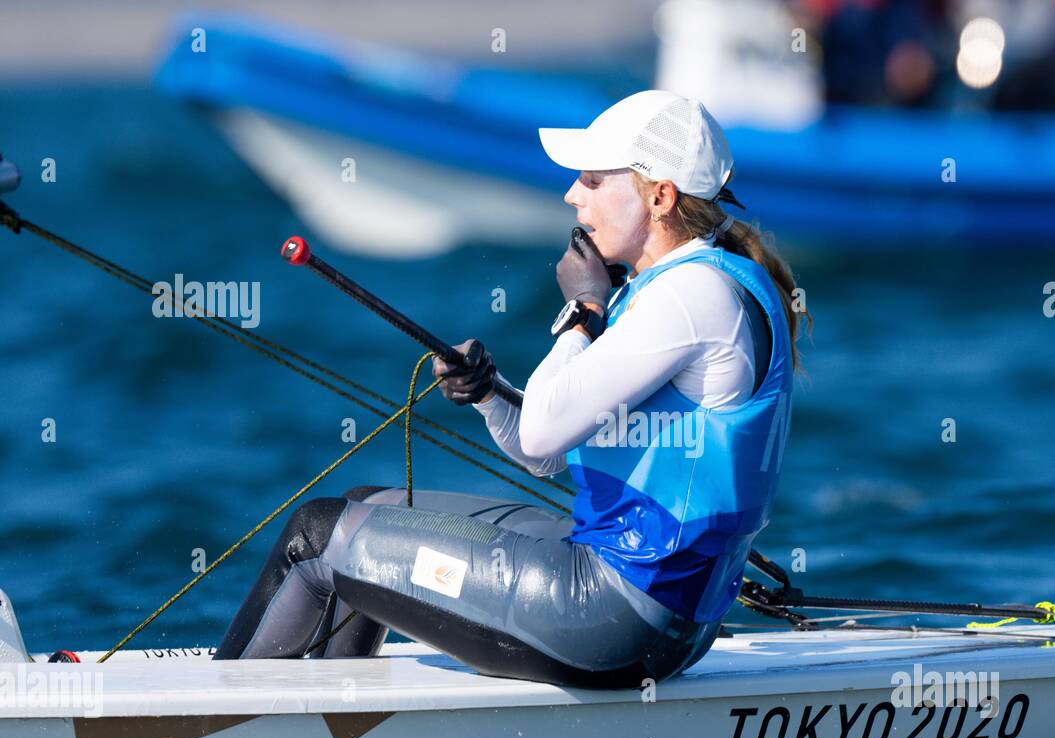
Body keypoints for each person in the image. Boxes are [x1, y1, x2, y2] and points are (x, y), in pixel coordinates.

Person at [214, 90, 810, 688]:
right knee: (368, 507)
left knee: (317, 535)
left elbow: (544, 428)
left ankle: (224, 727)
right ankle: (332, 722)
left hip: (613, 617)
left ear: (661, 196)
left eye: (593, 180)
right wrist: (490, 394)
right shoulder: (674, 289)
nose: (572, 194)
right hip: (656, 613)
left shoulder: (690, 297)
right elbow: (543, 451)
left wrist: (582, 310)